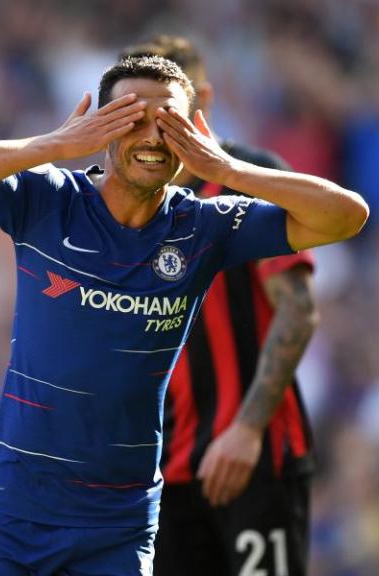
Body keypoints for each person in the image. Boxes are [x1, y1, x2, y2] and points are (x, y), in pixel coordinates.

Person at [0, 55, 368, 575]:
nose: (153, 136)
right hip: (12, 511)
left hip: (118, 524)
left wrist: (225, 168)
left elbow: (347, 216)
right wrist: (57, 145)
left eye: (169, 121)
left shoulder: (203, 228)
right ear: (102, 128)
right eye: (133, 118)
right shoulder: (49, 200)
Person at [120, 36, 317, 576]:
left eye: (170, 111)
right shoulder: (129, 199)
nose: (157, 129)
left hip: (254, 459)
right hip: (167, 471)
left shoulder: (249, 177)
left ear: (199, 99)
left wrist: (248, 429)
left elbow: (298, 310)